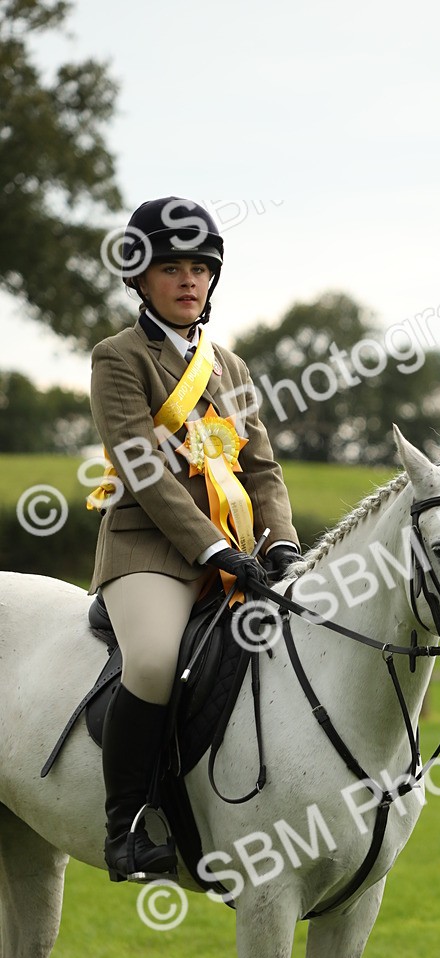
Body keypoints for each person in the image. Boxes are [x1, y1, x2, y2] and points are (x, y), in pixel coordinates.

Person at [88, 196, 302, 883]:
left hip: (239, 552)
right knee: (152, 661)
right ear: (141, 279)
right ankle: (124, 828)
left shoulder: (231, 369)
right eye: (172, 267)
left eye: (200, 269)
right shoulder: (119, 358)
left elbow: (262, 471)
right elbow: (142, 470)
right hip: (149, 551)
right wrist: (212, 549)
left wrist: (282, 547)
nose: (189, 281)